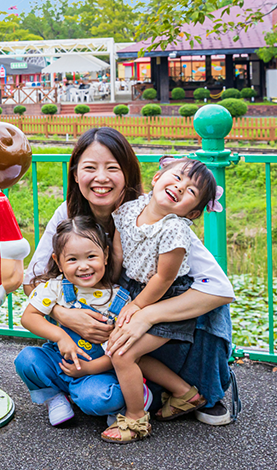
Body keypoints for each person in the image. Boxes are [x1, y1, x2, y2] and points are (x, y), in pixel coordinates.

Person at [20, 127, 235, 426]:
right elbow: (32, 277)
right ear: (75, 173)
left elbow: (219, 289)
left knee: (209, 310)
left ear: (128, 172)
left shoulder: (157, 215)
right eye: (90, 168)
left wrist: (147, 315)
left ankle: (202, 387)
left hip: (141, 312)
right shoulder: (68, 213)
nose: (101, 178)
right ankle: (108, 387)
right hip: (99, 326)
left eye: (112, 168)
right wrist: (65, 315)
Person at [98, 156, 221, 443]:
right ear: (156, 179)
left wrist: (137, 307)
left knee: (122, 353)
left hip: (165, 296)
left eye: (191, 191)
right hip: (133, 289)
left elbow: (164, 279)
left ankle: (135, 418)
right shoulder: (130, 208)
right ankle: (185, 394)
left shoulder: (174, 229)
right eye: (177, 178)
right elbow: (117, 253)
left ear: (192, 213)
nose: (180, 188)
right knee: (131, 350)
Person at [16, 217, 142, 427]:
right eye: (72, 259)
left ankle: (111, 403)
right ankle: (55, 397)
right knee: (26, 359)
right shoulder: (55, 288)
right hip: (59, 361)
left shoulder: (120, 300)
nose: (83, 266)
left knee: (102, 399)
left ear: (106, 256)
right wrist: (60, 336)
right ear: (58, 262)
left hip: (95, 371)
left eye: (91, 256)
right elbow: (28, 317)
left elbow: (122, 352)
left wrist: (88, 368)